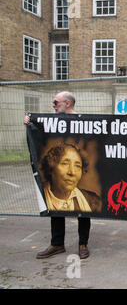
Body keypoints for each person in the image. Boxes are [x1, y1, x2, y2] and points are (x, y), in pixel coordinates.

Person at [24, 91, 94, 260]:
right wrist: (30, 123)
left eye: (56, 102)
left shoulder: (84, 121)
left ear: (67, 103)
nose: (53, 105)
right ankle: (57, 244)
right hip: (59, 171)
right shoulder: (51, 121)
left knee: (83, 210)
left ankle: (83, 244)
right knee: (55, 203)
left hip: (79, 173)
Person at [40, 143, 101, 213]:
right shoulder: (38, 197)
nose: (72, 172)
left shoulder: (93, 202)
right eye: (65, 163)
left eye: (77, 166)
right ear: (50, 168)